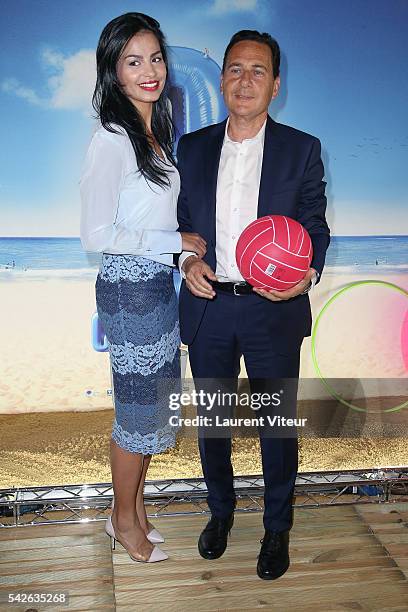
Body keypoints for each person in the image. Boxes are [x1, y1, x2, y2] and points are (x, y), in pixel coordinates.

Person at [177, 30, 330, 579]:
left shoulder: (302, 148)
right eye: (235, 69)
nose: (245, 80)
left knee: (275, 426)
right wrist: (186, 261)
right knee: (214, 423)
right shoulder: (190, 148)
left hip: (274, 308)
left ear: (276, 84)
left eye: (257, 70)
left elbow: (315, 224)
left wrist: (306, 274)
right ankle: (220, 515)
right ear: (221, 80)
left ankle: (277, 528)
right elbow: (179, 226)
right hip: (209, 304)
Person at [80, 12, 206, 564]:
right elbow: (97, 232)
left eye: (155, 57)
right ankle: (121, 519)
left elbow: (149, 217)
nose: (149, 70)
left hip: (155, 283)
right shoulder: (111, 137)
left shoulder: (156, 129)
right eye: (133, 61)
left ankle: (135, 510)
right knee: (136, 415)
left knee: (152, 410)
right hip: (130, 291)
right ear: (114, 70)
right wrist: (173, 239)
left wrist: (178, 250)